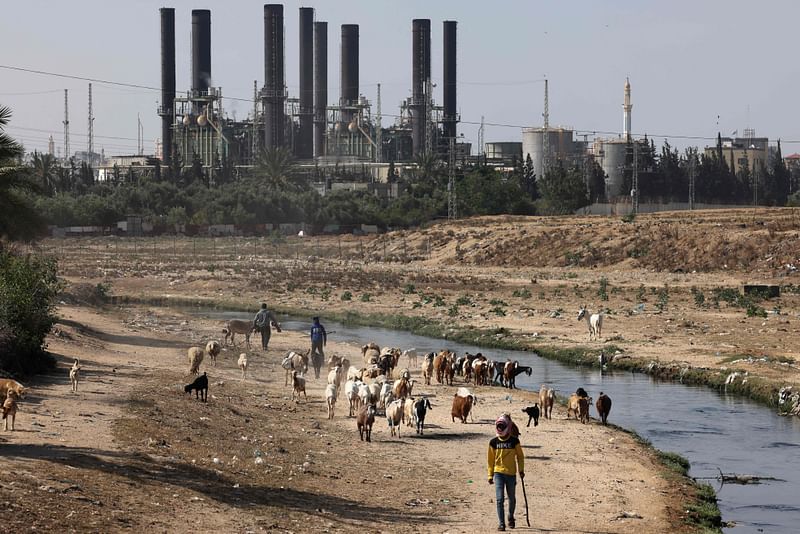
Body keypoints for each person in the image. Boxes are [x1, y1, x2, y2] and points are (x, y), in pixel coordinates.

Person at [487, 413, 525, 531]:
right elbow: (490, 460)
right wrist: (490, 475)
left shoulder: (514, 441)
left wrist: (521, 470)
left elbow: (520, 456)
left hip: (511, 474)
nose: (501, 429)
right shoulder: (493, 442)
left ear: (507, 427)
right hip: (498, 473)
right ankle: (501, 523)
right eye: (499, 427)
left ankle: (510, 517)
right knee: (499, 499)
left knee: (512, 498)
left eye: (502, 426)